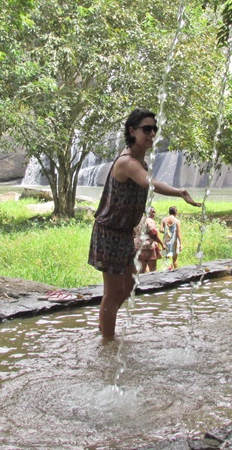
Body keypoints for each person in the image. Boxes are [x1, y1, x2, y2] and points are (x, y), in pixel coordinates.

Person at [88, 108, 201, 340]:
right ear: (132, 131)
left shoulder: (140, 161)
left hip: (124, 234)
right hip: (109, 233)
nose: (152, 133)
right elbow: (150, 183)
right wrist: (180, 191)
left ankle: (105, 321)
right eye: (146, 129)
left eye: (154, 129)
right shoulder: (128, 162)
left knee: (129, 285)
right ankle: (107, 342)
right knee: (113, 291)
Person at [135, 206, 163, 274]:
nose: (154, 214)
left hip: (138, 246)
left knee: (141, 270)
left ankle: (141, 283)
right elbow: (153, 234)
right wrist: (162, 244)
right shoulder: (149, 220)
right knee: (153, 269)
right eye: (152, 212)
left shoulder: (137, 220)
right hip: (149, 246)